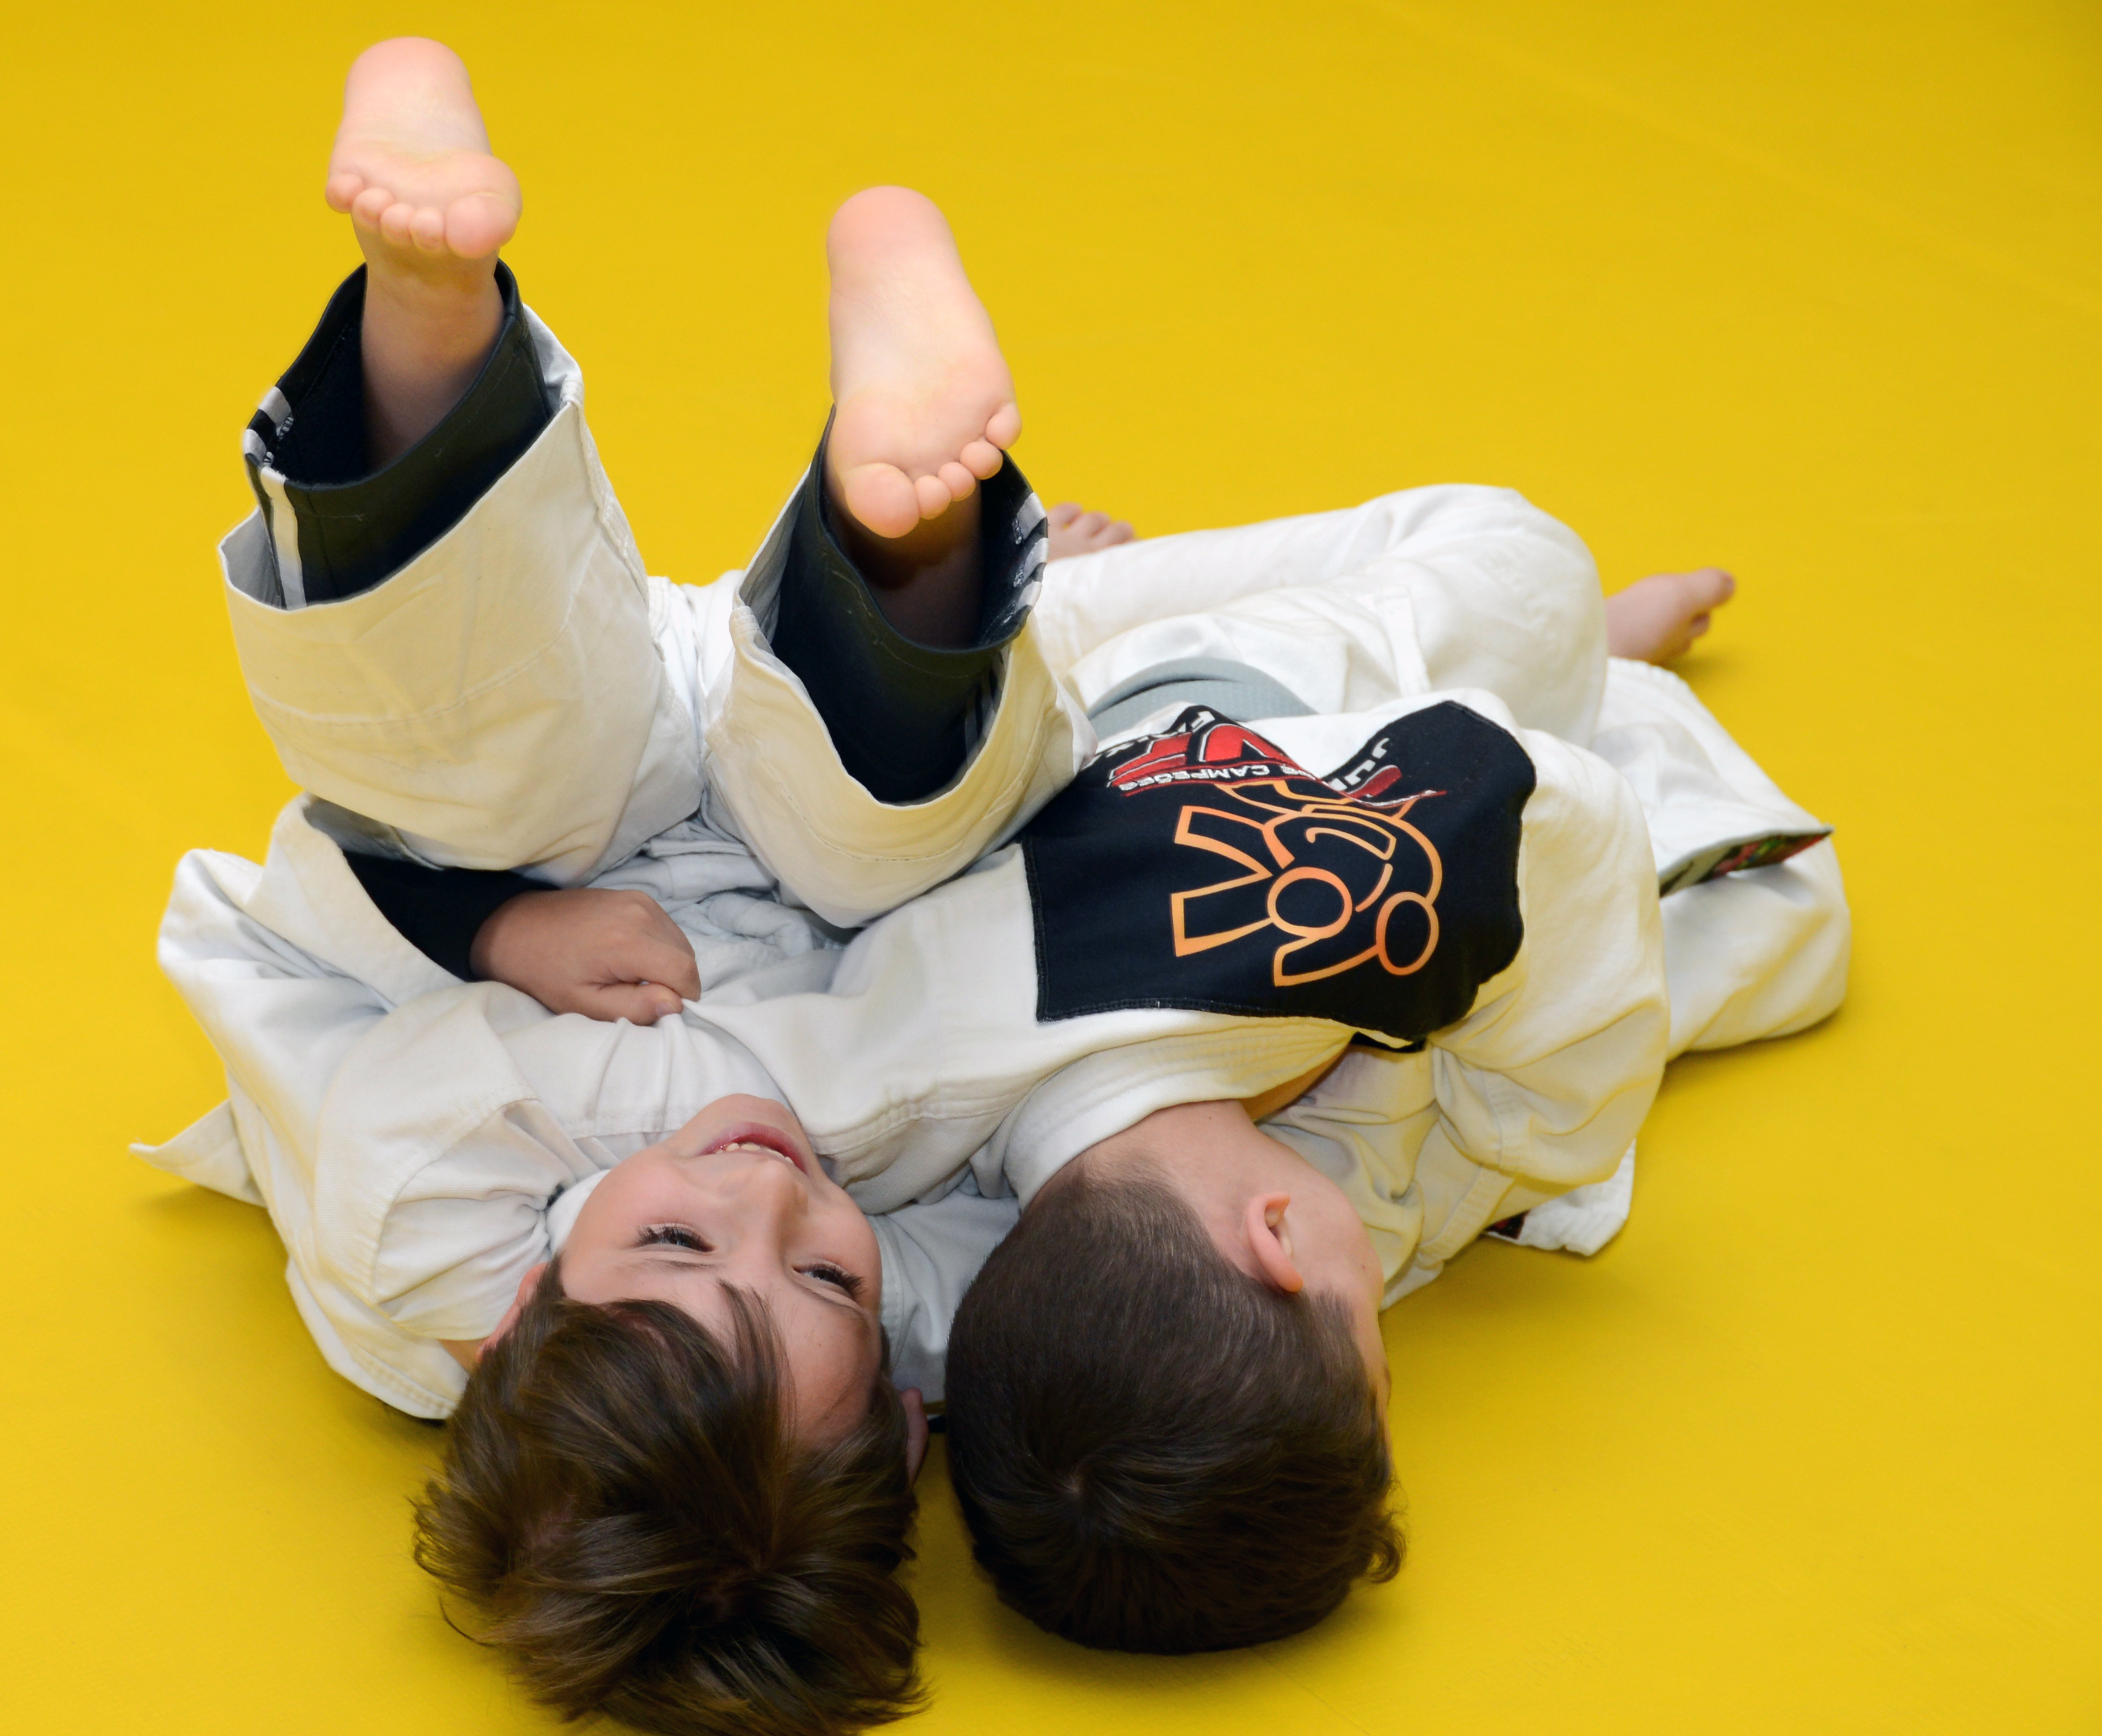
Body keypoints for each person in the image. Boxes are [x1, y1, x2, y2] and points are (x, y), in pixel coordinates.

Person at [142, 33, 1848, 1733]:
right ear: (904, 1421)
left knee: (469, 768)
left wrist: (496, 926)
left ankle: (426, 321)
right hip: (910, 836)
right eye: (828, 1278)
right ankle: (912, 541)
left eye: (673, 1238)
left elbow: (365, 977)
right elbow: (1068, 1095)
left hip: (579, 836)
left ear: (524, 1307)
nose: (769, 1197)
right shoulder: (986, 1313)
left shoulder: (419, 1258)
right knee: (885, 838)